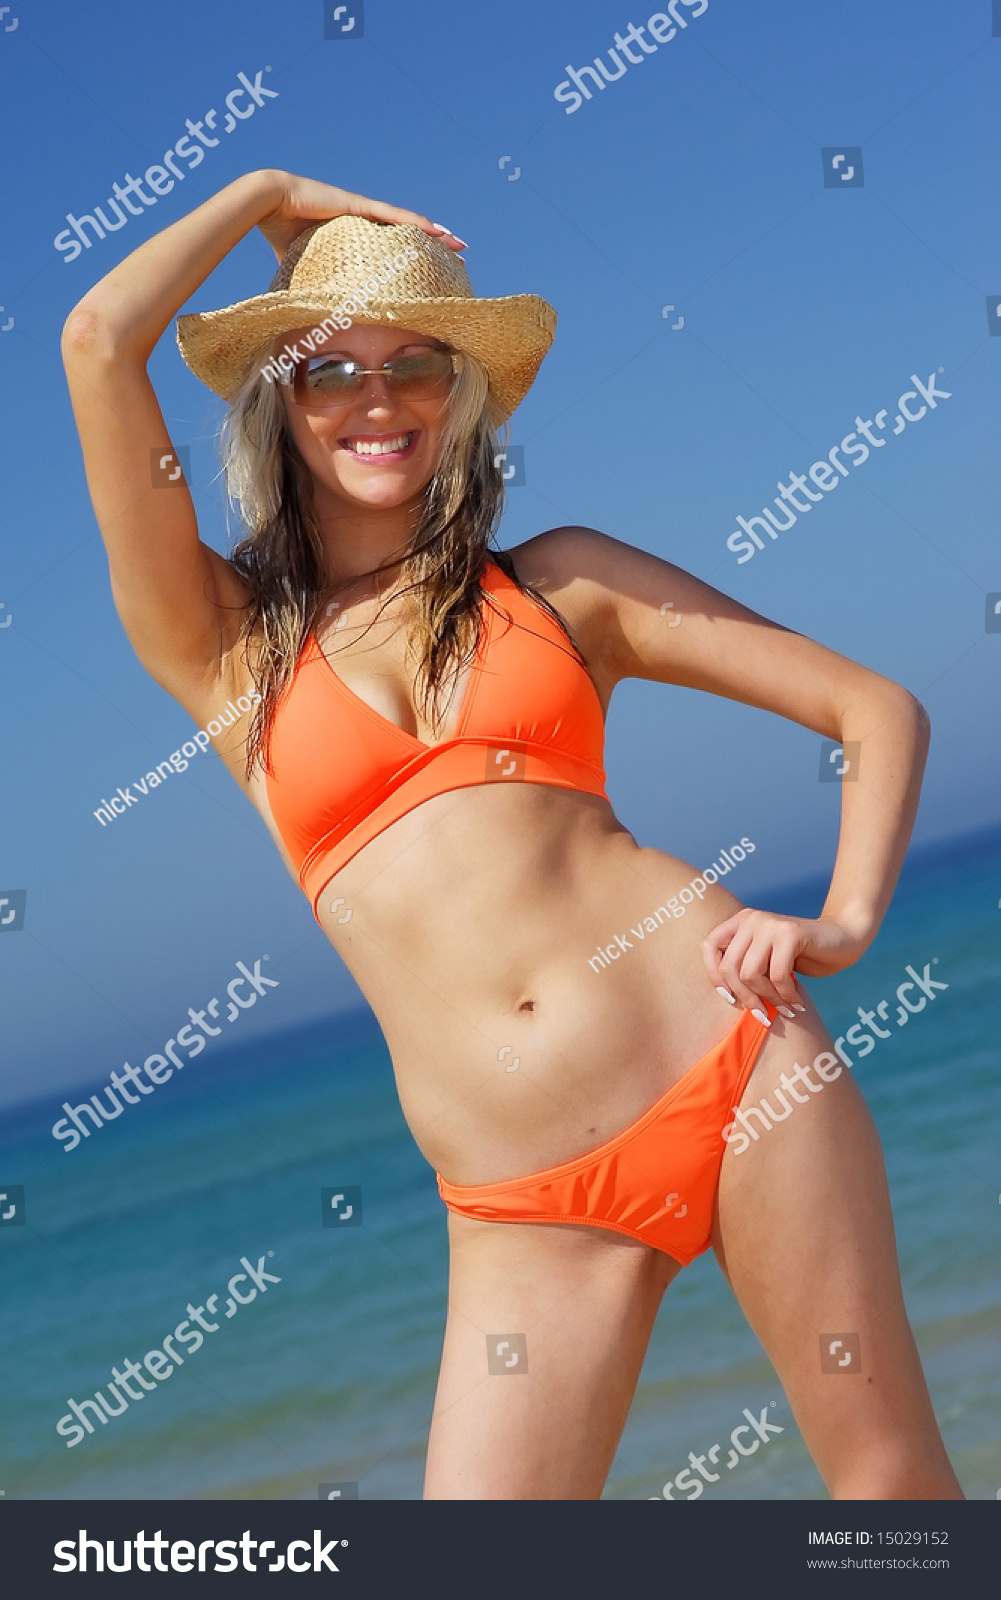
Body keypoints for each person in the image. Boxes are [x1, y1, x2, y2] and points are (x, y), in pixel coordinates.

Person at [61, 169, 962, 1502]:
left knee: (886, 1491)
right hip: (524, 1205)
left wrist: (841, 921)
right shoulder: (225, 651)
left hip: (737, 1062)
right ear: (281, 406)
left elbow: (869, 706)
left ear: (460, 397)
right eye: (328, 371)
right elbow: (96, 344)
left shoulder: (562, 584)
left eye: (413, 364)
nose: (376, 400)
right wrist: (261, 189)